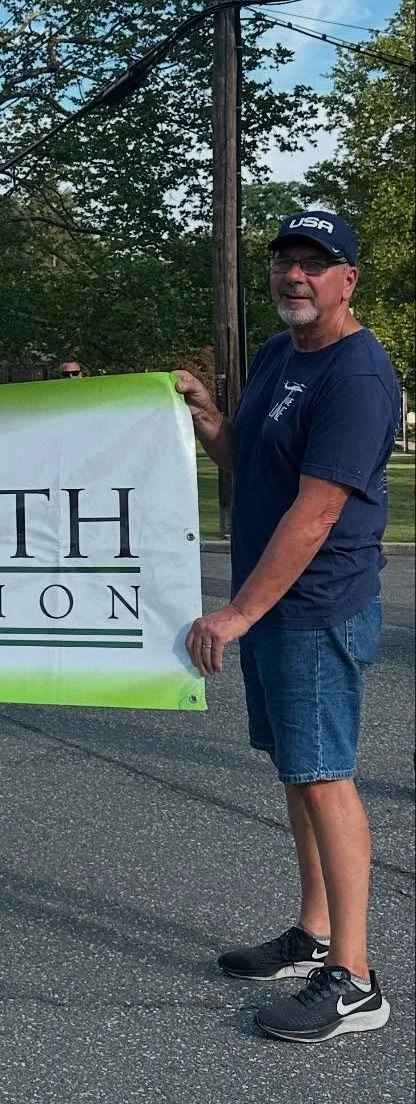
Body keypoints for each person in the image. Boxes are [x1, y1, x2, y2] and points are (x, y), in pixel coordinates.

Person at [176, 210, 399, 1044]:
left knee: (325, 774)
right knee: (297, 770)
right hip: (272, 606)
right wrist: (209, 417)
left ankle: (356, 979)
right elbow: (252, 462)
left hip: (314, 607)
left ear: (348, 279)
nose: (295, 275)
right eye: (284, 261)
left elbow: (316, 512)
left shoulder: (359, 375)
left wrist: (237, 612)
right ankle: (313, 932)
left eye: (315, 262)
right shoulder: (279, 355)